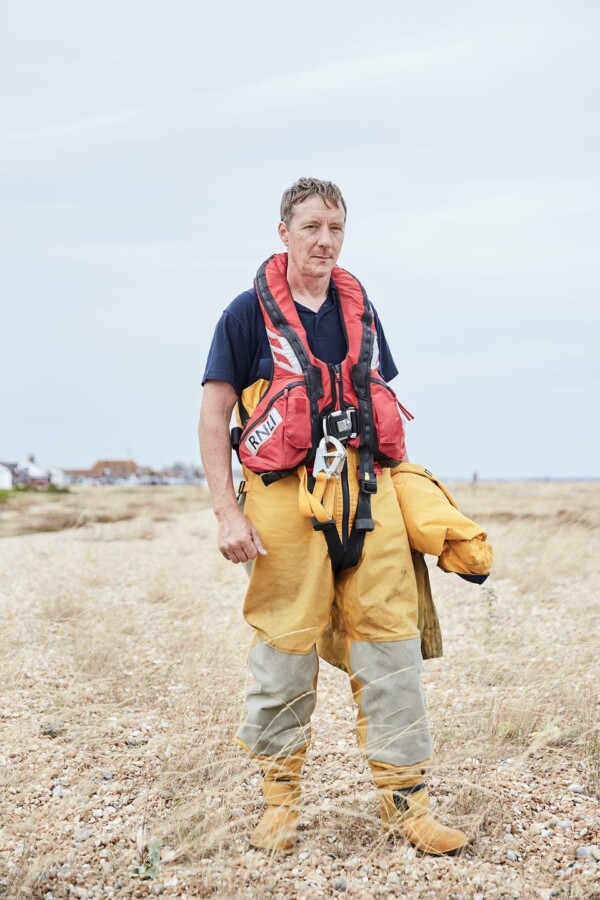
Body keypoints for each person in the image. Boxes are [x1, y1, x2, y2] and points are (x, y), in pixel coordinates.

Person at [199, 177, 469, 855]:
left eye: (336, 228)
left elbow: (380, 409)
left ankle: (407, 805)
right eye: (312, 226)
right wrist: (227, 513)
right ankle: (279, 803)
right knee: (284, 653)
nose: (325, 240)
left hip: (366, 495)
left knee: (392, 649)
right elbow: (213, 417)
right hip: (283, 502)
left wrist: (426, 508)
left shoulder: (361, 309)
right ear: (284, 232)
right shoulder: (245, 314)